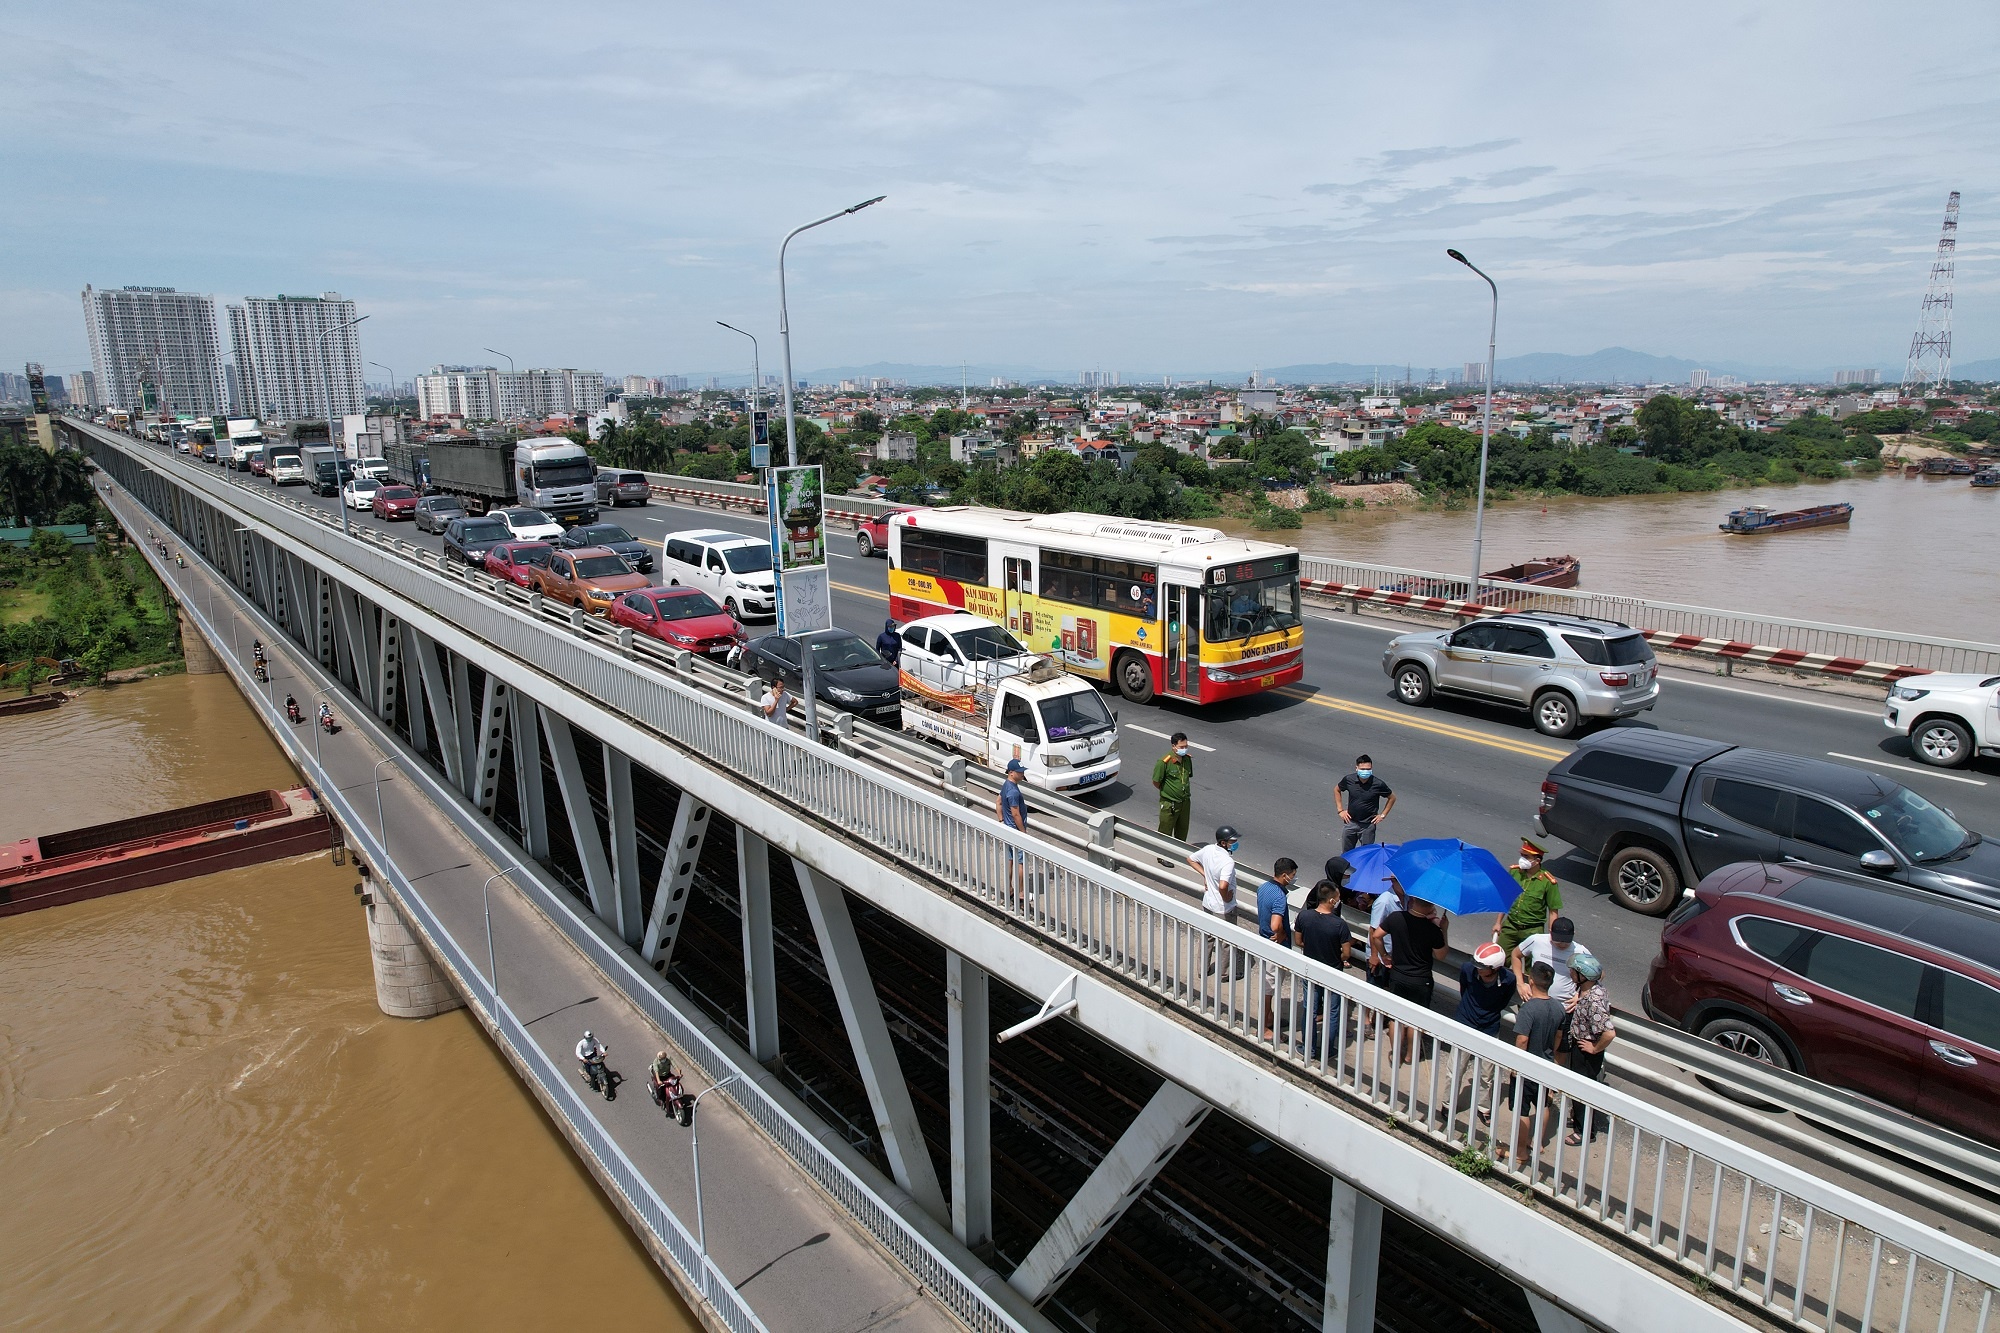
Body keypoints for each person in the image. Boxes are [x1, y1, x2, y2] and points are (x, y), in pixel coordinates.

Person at [1504, 962, 1566, 1162]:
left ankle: (1520, 1151)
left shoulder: (1529, 1009)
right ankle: (1537, 1143)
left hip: (1527, 1067)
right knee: (1543, 1105)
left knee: (1522, 1109)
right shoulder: (1559, 1008)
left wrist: (1515, 1066)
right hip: (1546, 1064)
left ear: (1531, 981)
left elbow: (1522, 1040)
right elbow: (1558, 1037)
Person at [1376, 897, 1449, 1062]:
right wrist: (1444, 929)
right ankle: (1410, 1055)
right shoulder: (1432, 929)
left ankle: (1396, 1054)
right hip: (1421, 980)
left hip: (1398, 975)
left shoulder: (1396, 918)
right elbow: (1441, 955)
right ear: (1431, 906)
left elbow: (1376, 936)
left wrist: (1385, 955)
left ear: (1414, 900)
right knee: (1416, 1021)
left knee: (1396, 1018)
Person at [1455, 942, 1520, 1119]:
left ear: (1495, 969)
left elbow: (1503, 1001)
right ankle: (1448, 1103)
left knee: (1487, 1073)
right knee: (1455, 1069)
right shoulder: (1468, 969)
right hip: (1465, 1023)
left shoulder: (1508, 980)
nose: (1478, 969)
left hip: (1490, 1028)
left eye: (1482, 967)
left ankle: (1483, 1107)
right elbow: (1464, 989)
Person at [1293, 879, 1352, 1052]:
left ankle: (1308, 1047)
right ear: (1332, 900)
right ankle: (1328, 1050)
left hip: (1310, 969)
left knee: (1309, 1008)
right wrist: (1336, 956)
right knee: (1332, 1011)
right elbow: (1347, 953)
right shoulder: (1339, 924)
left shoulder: (1304, 916)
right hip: (1332, 971)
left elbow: (1298, 941)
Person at [1564, 954, 1615, 1146]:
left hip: (1586, 1052)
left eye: (1573, 971)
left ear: (1582, 976)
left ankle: (1584, 1132)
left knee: (1581, 1090)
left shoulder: (1593, 1001)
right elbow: (1601, 974)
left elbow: (1609, 1033)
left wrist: (1594, 1048)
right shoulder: (1592, 989)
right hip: (1581, 1047)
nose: (1570, 973)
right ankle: (1580, 1121)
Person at [1494, 836, 1562, 964]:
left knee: (1533, 967)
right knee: (1500, 960)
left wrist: (1552, 936)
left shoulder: (1548, 882)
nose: (1522, 859)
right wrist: (1498, 922)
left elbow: (1553, 912)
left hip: (1533, 930)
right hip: (1511, 926)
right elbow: (1505, 898)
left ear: (1537, 860)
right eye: (1522, 855)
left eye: (1526, 856)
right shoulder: (1515, 872)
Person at [1187, 826, 1240, 981]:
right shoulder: (1228, 862)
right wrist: (1227, 897)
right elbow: (1223, 885)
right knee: (1226, 942)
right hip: (1224, 909)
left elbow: (1190, 859)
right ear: (1223, 843)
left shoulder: (1209, 849)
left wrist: (1206, 876)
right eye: (1232, 841)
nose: (1235, 843)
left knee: (1207, 938)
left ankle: (1202, 970)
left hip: (1208, 903)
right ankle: (1223, 974)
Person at [1254, 858, 1297, 1038]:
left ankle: (1269, 1019)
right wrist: (1281, 935)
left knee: (1267, 985)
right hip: (1274, 945)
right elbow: (1275, 925)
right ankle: (1263, 1028)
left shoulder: (1263, 887)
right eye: (1293, 875)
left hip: (1262, 941)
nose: (1294, 878)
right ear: (1285, 875)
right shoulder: (1280, 896)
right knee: (1269, 988)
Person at [1514, 917, 1592, 1007]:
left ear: (1573, 934)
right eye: (1558, 940)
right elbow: (1516, 955)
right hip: (1534, 1001)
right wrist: (1520, 983)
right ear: (1550, 932)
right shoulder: (1536, 941)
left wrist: (1580, 995)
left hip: (1564, 1006)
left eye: (1566, 941)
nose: (1562, 944)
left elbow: (1598, 974)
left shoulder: (1580, 951)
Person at [1334, 755, 1395, 852]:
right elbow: (1337, 789)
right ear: (1356, 768)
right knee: (1346, 854)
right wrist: (1340, 810)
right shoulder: (1349, 780)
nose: (1365, 771)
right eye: (1363, 769)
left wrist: (1382, 815)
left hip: (1368, 826)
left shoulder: (1378, 784)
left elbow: (1392, 798)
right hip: (1350, 822)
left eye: (1368, 769)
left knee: (1366, 854)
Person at [1364, 873, 1407, 988]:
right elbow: (1373, 929)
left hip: (1394, 955)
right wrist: (1374, 956)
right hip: (1380, 956)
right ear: (1394, 882)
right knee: (1374, 992)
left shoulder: (1407, 899)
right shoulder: (1384, 902)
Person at [996, 758, 1031, 899]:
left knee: (1010, 859)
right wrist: (1023, 831)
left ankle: (1010, 888)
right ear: (1011, 773)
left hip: (1008, 828)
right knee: (1021, 862)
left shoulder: (1006, 785)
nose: (1023, 774)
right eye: (1020, 772)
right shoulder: (1013, 792)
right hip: (1016, 830)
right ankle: (1021, 893)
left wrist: (1001, 820)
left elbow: (998, 802)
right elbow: (1016, 813)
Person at [1152, 732, 1194, 841]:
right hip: (1169, 804)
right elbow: (1156, 782)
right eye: (1181, 747)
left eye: (1186, 746)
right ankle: (1162, 857)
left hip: (1184, 802)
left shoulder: (1187, 760)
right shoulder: (1164, 762)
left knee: (1182, 831)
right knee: (1165, 832)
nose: (1184, 749)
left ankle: (1177, 855)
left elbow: (1187, 777)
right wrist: (1168, 792)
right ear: (1174, 746)